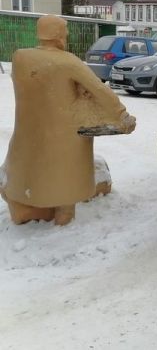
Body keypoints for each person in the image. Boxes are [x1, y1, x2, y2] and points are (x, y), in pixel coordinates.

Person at [0, 15, 135, 225]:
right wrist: (122, 115)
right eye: (65, 32)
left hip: (28, 133)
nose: (67, 36)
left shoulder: (19, 58)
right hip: (64, 134)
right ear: (57, 35)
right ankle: (63, 219)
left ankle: (28, 208)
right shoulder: (68, 61)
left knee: (30, 175)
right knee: (66, 183)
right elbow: (99, 89)